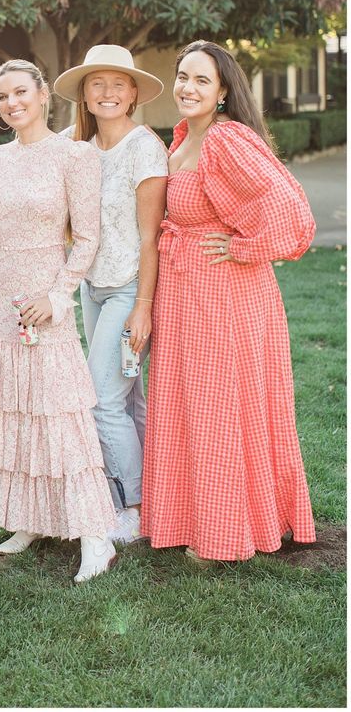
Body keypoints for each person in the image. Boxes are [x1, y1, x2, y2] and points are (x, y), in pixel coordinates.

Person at [141, 40, 316, 562]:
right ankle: (191, 518)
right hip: (182, 294)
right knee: (188, 405)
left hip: (224, 295)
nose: (187, 88)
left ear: (222, 92)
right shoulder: (179, 141)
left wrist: (245, 246)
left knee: (219, 406)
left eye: (201, 80)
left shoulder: (227, 140)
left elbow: (290, 212)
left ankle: (224, 531)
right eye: (182, 77)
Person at [0, 59, 118, 583]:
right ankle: (29, 518)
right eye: (2, 96)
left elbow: (87, 236)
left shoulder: (73, 154)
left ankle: (95, 534)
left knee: (58, 413)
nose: (12, 104)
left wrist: (57, 296)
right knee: (12, 409)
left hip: (44, 299)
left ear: (41, 96)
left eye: (20, 93)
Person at [53, 45, 168, 546]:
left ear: (134, 93)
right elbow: (30, 152)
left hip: (126, 289)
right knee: (129, 399)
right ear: (83, 93)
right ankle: (158, 498)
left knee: (102, 399)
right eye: (96, 83)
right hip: (91, 288)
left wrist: (142, 306)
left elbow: (150, 237)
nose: (107, 93)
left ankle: (134, 507)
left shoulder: (145, 149)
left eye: (118, 84)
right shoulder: (77, 145)